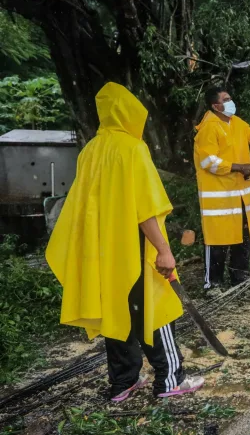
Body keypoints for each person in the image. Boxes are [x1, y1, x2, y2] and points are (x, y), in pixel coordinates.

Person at [46, 83, 204, 401]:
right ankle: (171, 379)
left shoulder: (90, 151)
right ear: (127, 111)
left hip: (102, 253)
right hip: (133, 250)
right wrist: (164, 250)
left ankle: (122, 383)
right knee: (156, 310)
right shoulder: (132, 149)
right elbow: (144, 209)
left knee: (116, 313)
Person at [194, 87, 250, 289]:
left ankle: (239, 278)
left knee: (243, 236)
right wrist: (238, 167)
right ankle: (213, 284)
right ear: (216, 106)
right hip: (219, 196)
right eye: (226, 99)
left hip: (240, 193)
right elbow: (208, 161)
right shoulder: (209, 127)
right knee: (217, 241)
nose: (231, 101)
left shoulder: (235, 122)